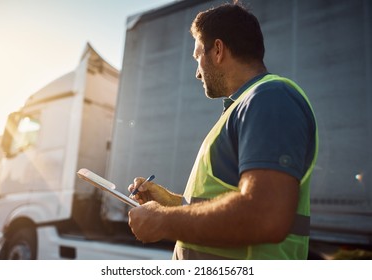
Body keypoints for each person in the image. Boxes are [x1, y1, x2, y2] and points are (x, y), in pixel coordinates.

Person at [128, 1, 318, 260]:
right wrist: (171, 203)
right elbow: (224, 202)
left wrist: (163, 220)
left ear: (217, 50)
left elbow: (265, 215)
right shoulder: (245, 105)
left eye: (198, 57)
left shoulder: (270, 97)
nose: (197, 72)